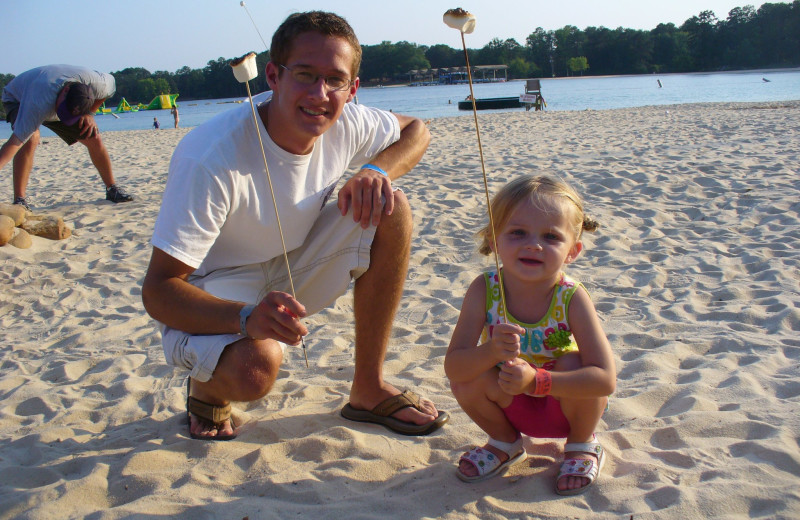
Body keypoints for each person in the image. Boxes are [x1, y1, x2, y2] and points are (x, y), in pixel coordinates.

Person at [142, 11, 448, 441]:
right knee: (255, 371)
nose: (320, 94)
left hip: (295, 264)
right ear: (273, 75)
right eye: (304, 74)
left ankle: (368, 387)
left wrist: (378, 169)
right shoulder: (209, 157)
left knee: (390, 205)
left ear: (352, 88)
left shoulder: (347, 120)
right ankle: (207, 390)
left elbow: (417, 130)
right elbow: (158, 290)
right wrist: (246, 318)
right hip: (216, 289)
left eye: (335, 80)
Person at [444, 175, 616, 495]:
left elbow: (605, 380)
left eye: (551, 236)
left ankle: (581, 446)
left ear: (572, 251)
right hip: (510, 402)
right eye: (517, 232)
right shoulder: (484, 289)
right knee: (469, 375)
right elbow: (453, 367)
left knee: (572, 362)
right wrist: (491, 352)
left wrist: (538, 381)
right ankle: (504, 444)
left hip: (566, 406)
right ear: (495, 242)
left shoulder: (572, 297)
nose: (533, 244)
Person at [0, 65, 134, 210]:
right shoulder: (39, 100)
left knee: (93, 136)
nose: (63, 116)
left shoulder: (100, 84)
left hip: (60, 101)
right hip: (18, 99)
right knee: (31, 138)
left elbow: (108, 92)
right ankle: (19, 200)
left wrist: (90, 114)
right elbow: (15, 142)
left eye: (68, 115)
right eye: (63, 111)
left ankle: (112, 189)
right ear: (65, 90)